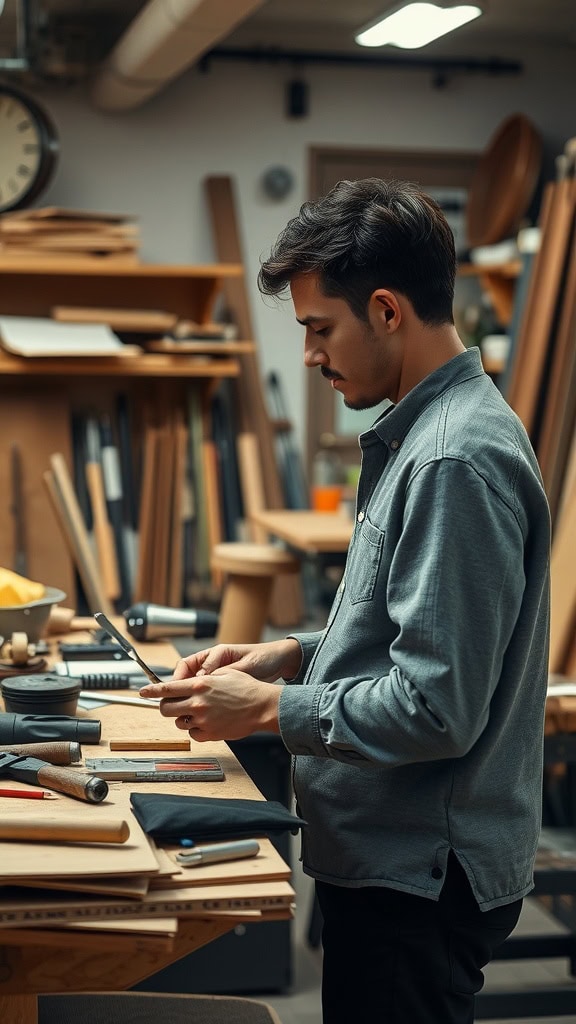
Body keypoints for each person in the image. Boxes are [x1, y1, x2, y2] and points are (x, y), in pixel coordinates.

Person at [140, 178, 551, 1024]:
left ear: (389, 311)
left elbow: (436, 706)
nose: (311, 355)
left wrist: (271, 708)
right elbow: (409, 627)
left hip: (420, 876)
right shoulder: (424, 435)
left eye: (320, 329)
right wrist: (292, 653)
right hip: (394, 861)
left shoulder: (450, 460)